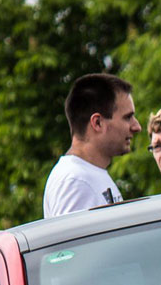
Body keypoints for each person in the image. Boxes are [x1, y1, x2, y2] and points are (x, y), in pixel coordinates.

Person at [43, 74, 141, 218]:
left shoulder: (88, 175)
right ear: (97, 123)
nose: (136, 127)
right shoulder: (75, 182)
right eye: (127, 117)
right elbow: (74, 241)